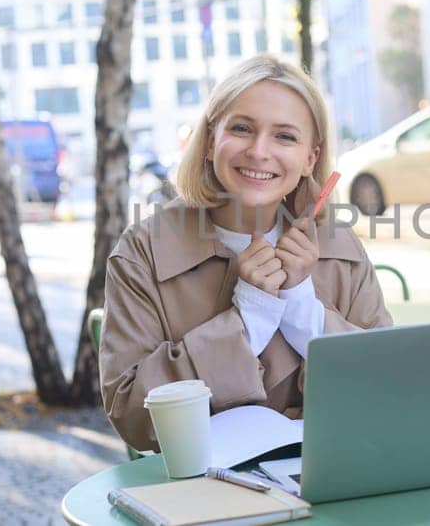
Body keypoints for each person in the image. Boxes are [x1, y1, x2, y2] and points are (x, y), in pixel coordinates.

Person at [100, 55, 393, 451]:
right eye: (241, 128)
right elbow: (133, 415)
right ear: (207, 141)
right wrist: (247, 319)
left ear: (310, 158)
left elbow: (390, 389)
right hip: (203, 495)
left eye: (285, 136)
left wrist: (304, 310)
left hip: (334, 478)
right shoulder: (143, 253)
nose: (259, 151)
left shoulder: (341, 247)